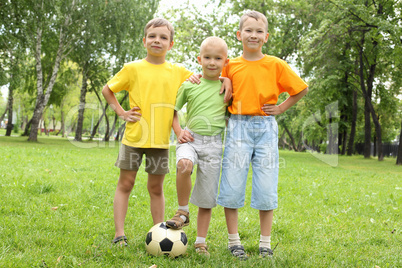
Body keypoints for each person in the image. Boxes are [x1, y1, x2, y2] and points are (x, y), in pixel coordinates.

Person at [102, 18, 231, 247]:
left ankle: (159, 233)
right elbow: (107, 89)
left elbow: (209, 74)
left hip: (160, 141)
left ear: (171, 44)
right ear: (144, 41)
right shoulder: (133, 68)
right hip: (134, 137)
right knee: (126, 183)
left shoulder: (179, 71)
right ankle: (119, 233)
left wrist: (227, 79)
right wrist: (122, 113)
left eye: (163, 37)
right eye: (152, 36)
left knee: (156, 188)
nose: (157, 41)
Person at [216, 10, 309, 259]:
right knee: (233, 182)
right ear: (239, 35)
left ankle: (264, 243)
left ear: (266, 37)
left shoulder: (276, 64)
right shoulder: (229, 64)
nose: (253, 35)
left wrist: (280, 108)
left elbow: (300, 89)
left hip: (266, 127)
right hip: (237, 127)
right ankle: (233, 241)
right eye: (248, 30)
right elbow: (209, 77)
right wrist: (222, 79)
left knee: (266, 185)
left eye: (259, 31)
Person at [165, 37, 229, 257]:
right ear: (199, 59)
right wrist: (178, 131)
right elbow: (173, 109)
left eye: (218, 58)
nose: (212, 62)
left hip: (214, 144)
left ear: (225, 61)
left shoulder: (227, 87)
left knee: (207, 196)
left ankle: (200, 242)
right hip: (190, 138)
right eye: (207, 58)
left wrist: (227, 80)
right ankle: (182, 211)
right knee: (184, 165)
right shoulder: (190, 83)